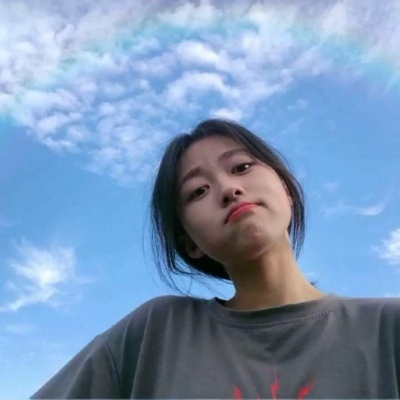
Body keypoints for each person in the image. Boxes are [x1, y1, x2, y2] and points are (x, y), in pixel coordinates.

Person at [31, 118, 400, 399]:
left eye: (241, 167)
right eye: (198, 191)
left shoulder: (387, 328)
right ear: (189, 243)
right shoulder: (155, 335)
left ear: (286, 190)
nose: (229, 189)